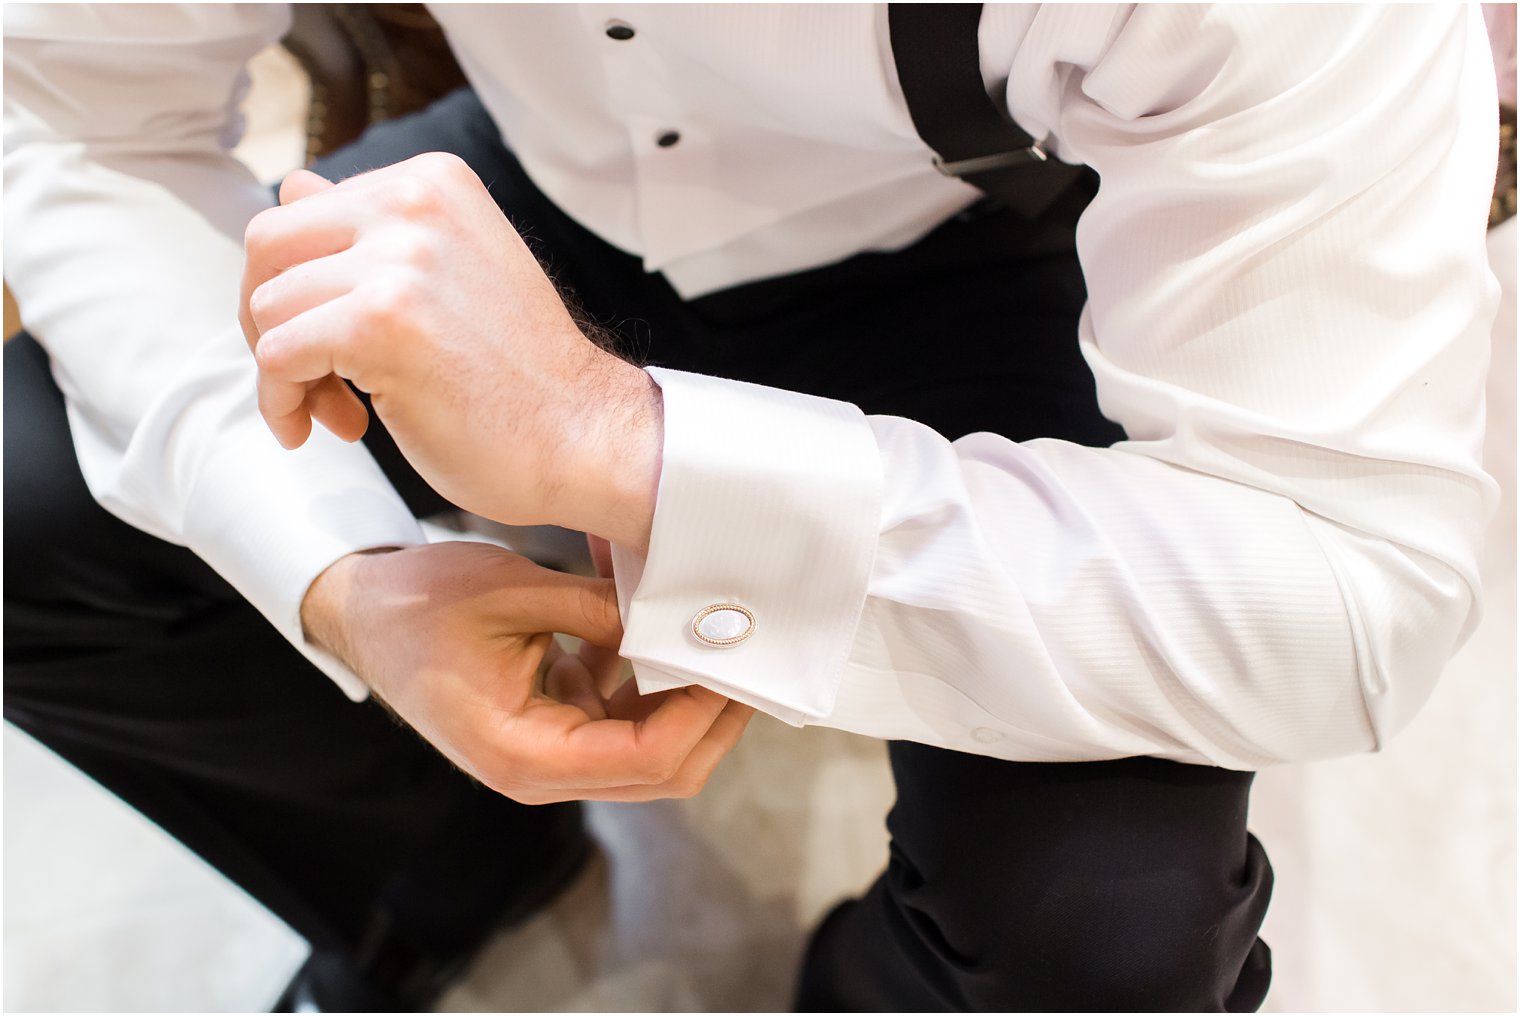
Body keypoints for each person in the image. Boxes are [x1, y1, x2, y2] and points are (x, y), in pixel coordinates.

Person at [3, 4, 1499, 1012]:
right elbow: (73, 110)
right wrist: (345, 572)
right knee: (26, 513)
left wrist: (619, 444)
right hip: (542, 193)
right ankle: (442, 867)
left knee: (1099, 942)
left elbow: (1348, 584)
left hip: (991, 237)